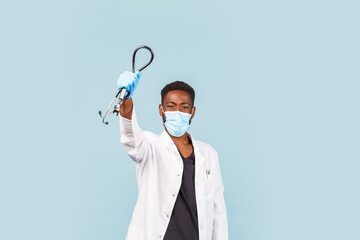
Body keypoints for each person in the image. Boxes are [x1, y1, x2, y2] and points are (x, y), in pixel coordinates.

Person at [117, 71, 228, 240]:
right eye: (171, 106)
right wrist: (126, 99)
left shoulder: (209, 154)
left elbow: (217, 210)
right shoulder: (149, 145)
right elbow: (130, 137)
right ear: (161, 110)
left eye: (184, 107)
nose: (177, 112)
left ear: (193, 111)